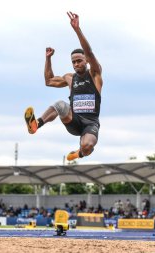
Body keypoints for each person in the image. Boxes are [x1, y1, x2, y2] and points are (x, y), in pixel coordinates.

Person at [24, 11, 103, 161]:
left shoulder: (95, 74)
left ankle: (79, 153)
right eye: (73, 62)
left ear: (85, 60)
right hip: (73, 120)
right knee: (60, 104)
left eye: (79, 60)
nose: (76, 64)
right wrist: (48, 59)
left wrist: (77, 29)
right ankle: (36, 124)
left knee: (87, 146)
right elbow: (49, 81)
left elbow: (90, 52)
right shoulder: (69, 78)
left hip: (90, 123)